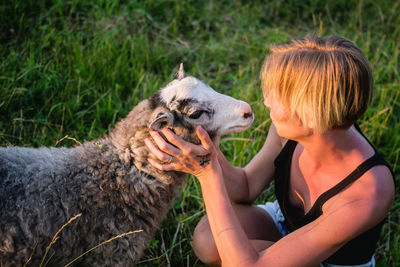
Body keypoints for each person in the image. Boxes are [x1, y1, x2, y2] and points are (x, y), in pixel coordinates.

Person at [145, 35, 395, 266]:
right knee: (207, 238)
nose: (266, 101)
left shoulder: (367, 192)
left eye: (278, 95)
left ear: (310, 115)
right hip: (285, 224)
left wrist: (207, 174)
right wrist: (207, 150)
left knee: (238, 256)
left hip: (328, 263)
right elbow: (245, 188)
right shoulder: (294, 130)